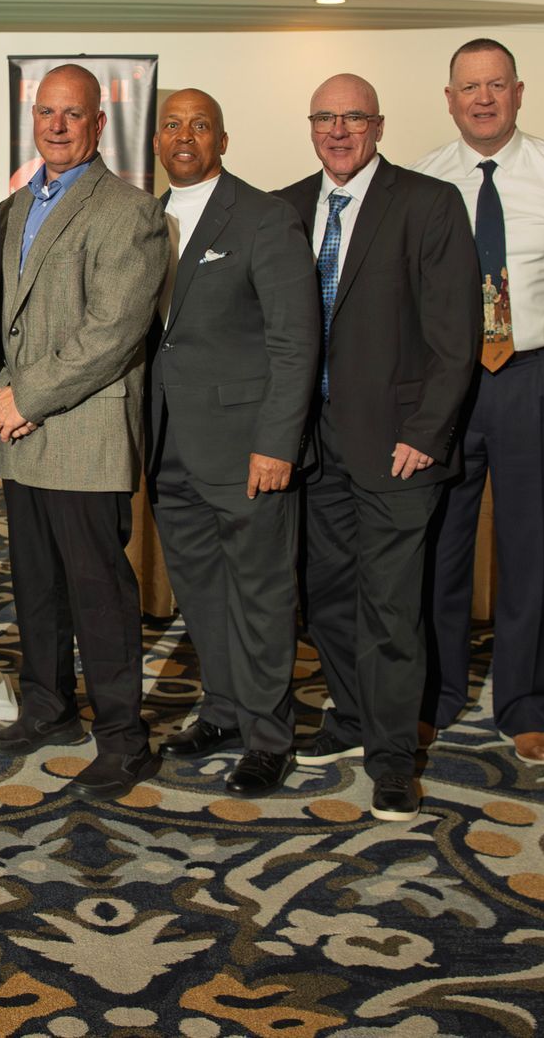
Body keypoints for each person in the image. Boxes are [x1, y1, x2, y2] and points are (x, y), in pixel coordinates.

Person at [276, 73, 478, 822]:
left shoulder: (427, 205)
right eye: (325, 117)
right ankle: (353, 718)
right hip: (313, 444)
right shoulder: (288, 208)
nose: (338, 131)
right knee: (326, 596)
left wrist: (426, 435)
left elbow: (456, 337)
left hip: (397, 447)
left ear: (379, 126)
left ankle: (393, 756)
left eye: (353, 118)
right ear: (311, 125)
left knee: (391, 605)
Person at [410, 39, 544, 764]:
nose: (483, 99)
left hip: (537, 375)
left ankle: (527, 705)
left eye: (496, 85)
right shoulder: (422, 180)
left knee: (533, 545)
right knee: (437, 546)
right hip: (447, 381)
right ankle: (434, 694)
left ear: (519, 92)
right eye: (469, 87)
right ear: (450, 98)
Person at [0, 64, 169, 799]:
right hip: (21, 433)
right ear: (34, 120)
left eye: (74, 114)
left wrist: (24, 395)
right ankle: (49, 707)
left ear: (99, 125)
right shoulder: (12, 207)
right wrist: (0, 396)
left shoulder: (129, 210)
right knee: (35, 585)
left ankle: (126, 739)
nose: (58, 126)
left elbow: (113, 332)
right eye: (47, 113)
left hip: (83, 433)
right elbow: (3, 314)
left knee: (99, 594)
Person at [145, 88, 314, 796]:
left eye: (201, 125)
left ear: (223, 139)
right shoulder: (145, 219)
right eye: (173, 125)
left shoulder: (266, 218)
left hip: (247, 448)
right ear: (157, 140)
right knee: (202, 592)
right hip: (167, 445)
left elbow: (295, 341)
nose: (186, 136)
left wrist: (277, 443)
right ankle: (222, 710)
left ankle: (270, 736)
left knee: (261, 596)